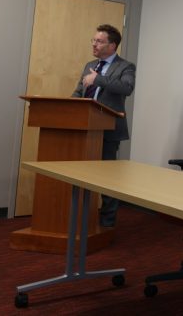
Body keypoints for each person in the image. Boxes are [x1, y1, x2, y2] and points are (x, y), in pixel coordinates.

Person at [72, 24, 136, 228]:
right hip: (83, 129)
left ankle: (107, 222)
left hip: (108, 130)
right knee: (81, 175)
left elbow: (126, 88)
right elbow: (79, 91)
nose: (94, 44)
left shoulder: (125, 66)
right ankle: (82, 218)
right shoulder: (90, 64)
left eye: (99, 41)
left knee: (108, 178)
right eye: (93, 40)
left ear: (112, 45)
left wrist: (98, 79)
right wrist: (68, 106)